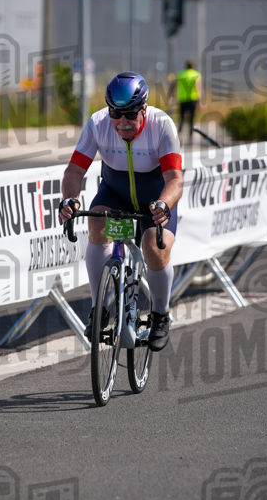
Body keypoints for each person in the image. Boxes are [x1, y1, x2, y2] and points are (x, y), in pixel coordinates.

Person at [58, 71, 183, 352]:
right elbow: (75, 170)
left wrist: (164, 204)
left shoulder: (162, 125)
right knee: (97, 226)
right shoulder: (98, 123)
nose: (123, 122)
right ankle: (98, 309)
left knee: (154, 248)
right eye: (116, 113)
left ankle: (160, 315)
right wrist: (69, 199)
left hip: (155, 200)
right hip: (115, 193)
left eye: (130, 114)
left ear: (144, 109)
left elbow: (175, 179)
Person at [176, 59, 201, 142]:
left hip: (183, 98)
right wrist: (201, 101)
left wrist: (171, 96)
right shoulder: (196, 74)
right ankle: (190, 135)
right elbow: (198, 87)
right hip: (193, 98)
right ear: (193, 66)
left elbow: (174, 86)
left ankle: (179, 133)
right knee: (192, 118)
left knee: (182, 117)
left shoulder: (180, 74)